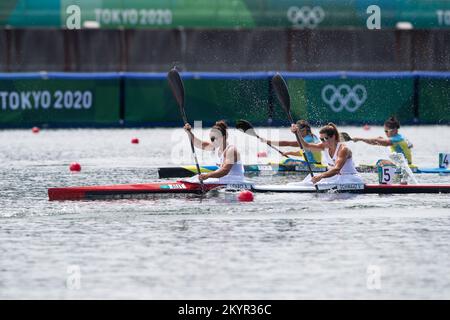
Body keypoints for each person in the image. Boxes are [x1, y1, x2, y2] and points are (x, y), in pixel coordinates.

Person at [291, 122, 363, 185]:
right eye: (321, 139)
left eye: (325, 139)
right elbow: (306, 146)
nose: (323, 141)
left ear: (333, 137)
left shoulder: (343, 149)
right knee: (309, 179)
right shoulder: (324, 146)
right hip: (335, 178)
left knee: (318, 178)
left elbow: (336, 169)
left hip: (350, 179)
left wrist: (320, 176)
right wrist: (297, 134)